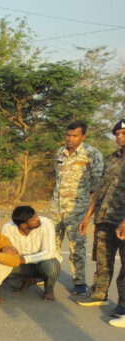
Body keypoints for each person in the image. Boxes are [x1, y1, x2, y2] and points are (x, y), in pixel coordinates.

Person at [78, 119, 125, 325]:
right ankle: (99, 294)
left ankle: (124, 304)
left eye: (123, 133)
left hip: (123, 221)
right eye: (117, 134)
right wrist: (88, 215)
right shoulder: (112, 159)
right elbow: (99, 189)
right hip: (105, 217)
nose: (119, 137)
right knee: (103, 259)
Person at [49, 120, 104, 296]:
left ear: (83, 136)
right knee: (51, 242)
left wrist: (88, 212)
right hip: (56, 206)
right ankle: (49, 275)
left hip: (78, 207)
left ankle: (79, 281)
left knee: (76, 245)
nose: (70, 139)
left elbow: (98, 185)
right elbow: (58, 179)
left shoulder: (92, 154)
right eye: (68, 135)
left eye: (75, 135)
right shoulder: (60, 152)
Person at [1, 205, 61, 301]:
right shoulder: (8, 228)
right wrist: (6, 251)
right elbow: (4, 250)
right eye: (33, 219)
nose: (38, 219)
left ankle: (49, 289)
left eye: (36, 215)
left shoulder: (46, 223)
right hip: (21, 265)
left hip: (41, 263)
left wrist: (25, 259)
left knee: (52, 265)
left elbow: (49, 252)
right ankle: (26, 280)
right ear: (23, 225)